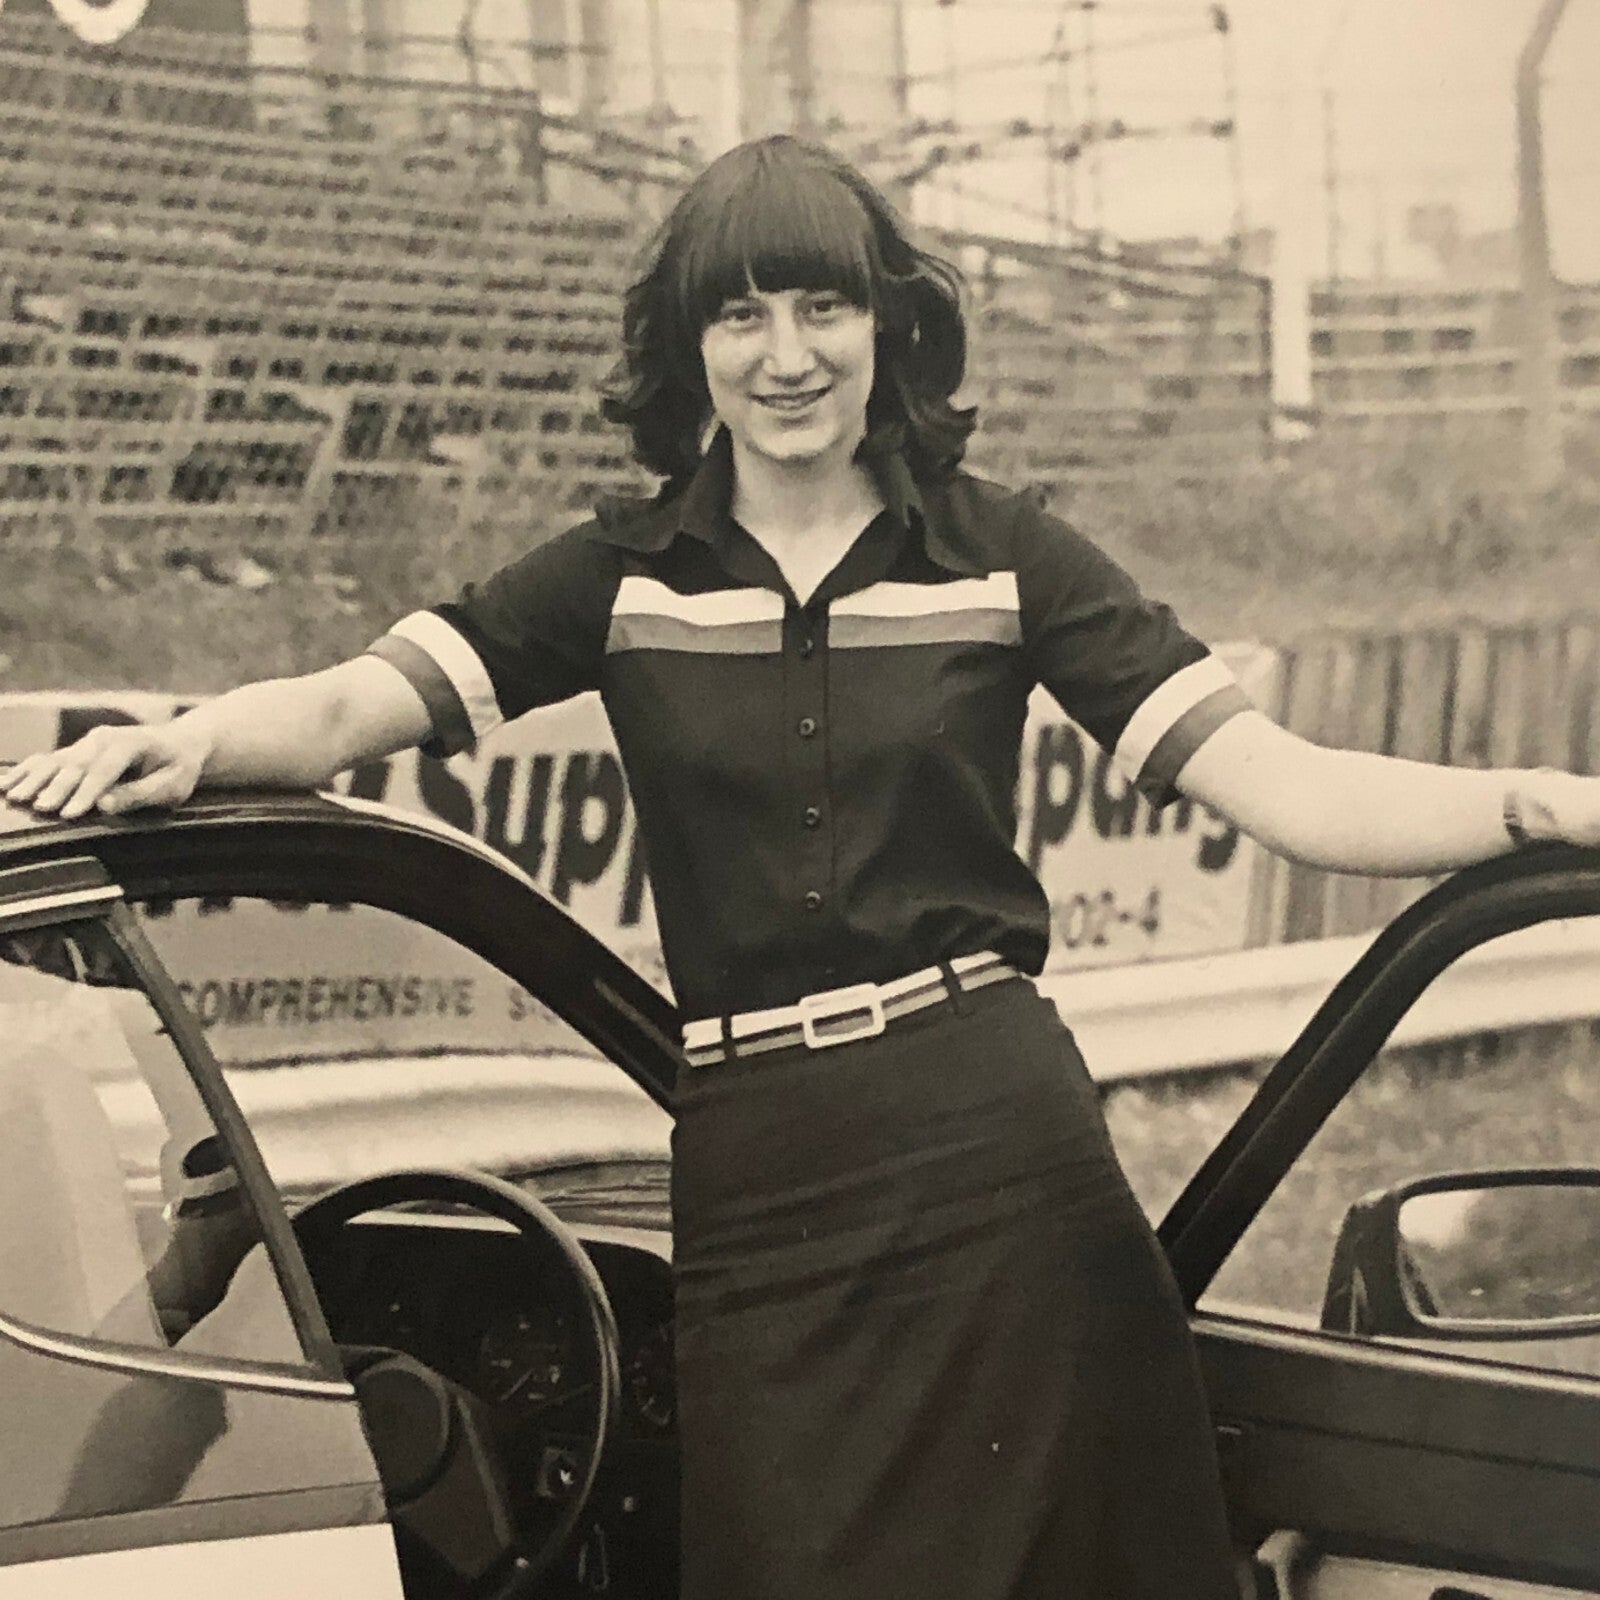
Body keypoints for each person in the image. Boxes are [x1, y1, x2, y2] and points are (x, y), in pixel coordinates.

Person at [4, 135, 1599, 1599]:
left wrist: (1536, 803)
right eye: (742, 314)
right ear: (691, 348)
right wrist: (200, 740)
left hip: (1003, 1165)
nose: (786, 356)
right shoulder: (619, 576)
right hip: (763, 1182)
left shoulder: (1004, 554)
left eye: (822, 306)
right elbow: (358, 702)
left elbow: (1290, 787)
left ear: (887, 325)